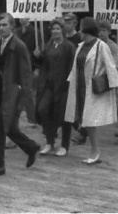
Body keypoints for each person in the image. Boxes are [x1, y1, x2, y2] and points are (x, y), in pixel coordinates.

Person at [0, 13, 40, 177]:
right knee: (10, 128)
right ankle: (30, 147)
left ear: (12, 26)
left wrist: (23, 96)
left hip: (12, 93)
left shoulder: (19, 46)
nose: (1, 28)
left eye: (5, 25)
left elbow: (26, 73)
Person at [64, 17, 118, 164]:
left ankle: (95, 152)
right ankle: (94, 151)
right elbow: (75, 66)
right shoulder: (81, 46)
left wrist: (116, 87)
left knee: (90, 120)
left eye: (81, 27)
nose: (80, 31)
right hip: (79, 87)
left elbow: (110, 66)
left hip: (92, 88)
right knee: (85, 120)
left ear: (86, 29)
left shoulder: (101, 46)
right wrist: (70, 81)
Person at [35, 18, 75, 157]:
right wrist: (38, 56)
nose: (55, 31)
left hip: (64, 86)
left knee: (64, 116)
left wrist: (70, 84)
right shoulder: (49, 45)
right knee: (43, 109)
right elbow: (44, 64)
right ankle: (50, 141)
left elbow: (72, 66)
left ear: (62, 30)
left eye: (58, 29)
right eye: (53, 29)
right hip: (49, 85)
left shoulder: (69, 46)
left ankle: (64, 145)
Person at [98, 20, 118, 145]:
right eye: (99, 30)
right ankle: (84, 133)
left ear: (109, 32)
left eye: (104, 31)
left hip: (111, 80)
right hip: (98, 79)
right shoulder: (95, 44)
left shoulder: (113, 46)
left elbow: (114, 65)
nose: (101, 33)